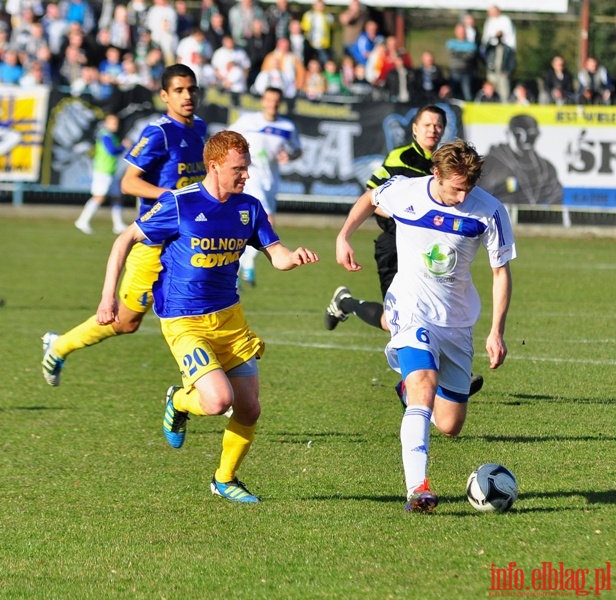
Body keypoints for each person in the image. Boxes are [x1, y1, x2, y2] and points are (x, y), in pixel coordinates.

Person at [96, 130, 319, 503]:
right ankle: (178, 402)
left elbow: (276, 255)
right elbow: (124, 239)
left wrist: (293, 257)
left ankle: (224, 479)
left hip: (230, 319)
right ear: (214, 166)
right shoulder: (179, 204)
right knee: (217, 402)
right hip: (184, 320)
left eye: (247, 168)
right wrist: (108, 299)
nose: (246, 176)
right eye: (239, 169)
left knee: (249, 407)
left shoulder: (249, 208)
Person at [333, 139, 516, 512]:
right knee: (423, 384)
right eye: (456, 187)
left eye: (469, 188)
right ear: (437, 174)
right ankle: (418, 488)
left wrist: (496, 331)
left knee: (449, 424)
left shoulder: (489, 211)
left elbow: (501, 272)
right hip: (411, 307)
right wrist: (343, 236)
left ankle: (407, 391)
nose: (463, 195)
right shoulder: (406, 191)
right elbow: (371, 197)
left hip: (457, 321)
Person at [41, 64, 207, 386]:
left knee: (197, 309)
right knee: (126, 322)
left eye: (192, 89)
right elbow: (130, 182)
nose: (187, 96)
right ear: (164, 95)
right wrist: (171, 196)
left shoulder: (200, 129)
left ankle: (207, 388)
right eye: (179, 90)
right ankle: (59, 346)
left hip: (187, 241)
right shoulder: (157, 133)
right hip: (153, 242)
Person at [324, 105, 485, 398]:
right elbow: (374, 197)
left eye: (438, 125)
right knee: (392, 320)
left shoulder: (449, 164)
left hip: (431, 251)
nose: (432, 130)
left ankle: (447, 375)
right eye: (427, 124)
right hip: (396, 246)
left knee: (434, 309)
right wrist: (407, 215)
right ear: (414, 128)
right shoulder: (399, 159)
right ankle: (346, 304)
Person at [229, 86, 302, 287]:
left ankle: (238, 266)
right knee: (267, 221)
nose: (273, 104)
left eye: (276, 101)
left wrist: (290, 155)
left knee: (252, 224)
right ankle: (248, 266)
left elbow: (297, 150)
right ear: (263, 101)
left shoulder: (287, 126)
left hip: (272, 180)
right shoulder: (248, 122)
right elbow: (228, 138)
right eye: (269, 100)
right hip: (251, 177)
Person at [480, 114, 563, 205]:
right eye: (518, 134)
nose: (525, 139)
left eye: (531, 134)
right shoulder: (491, 164)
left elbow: (556, 197)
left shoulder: (545, 168)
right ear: (508, 134)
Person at [74, 113, 130, 235]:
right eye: (113, 123)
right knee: (99, 197)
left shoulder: (111, 136)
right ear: (106, 123)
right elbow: (112, 151)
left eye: (116, 123)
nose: (116, 125)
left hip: (110, 171)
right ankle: (82, 221)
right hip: (102, 171)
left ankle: (118, 224)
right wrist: (123, 146)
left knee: (117, 197)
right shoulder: (105, 135)